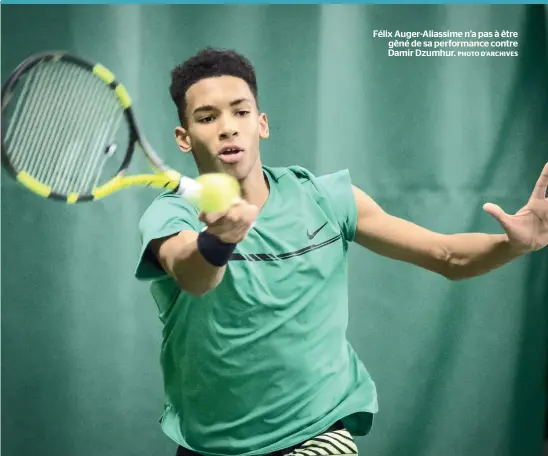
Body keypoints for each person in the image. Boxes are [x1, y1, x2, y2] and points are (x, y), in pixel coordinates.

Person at [135, 47, 548, 456]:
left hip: (317, 429)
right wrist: (219, 239)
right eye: (207, 118)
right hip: (209, 444)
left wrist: (515, 244)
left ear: (262, 124)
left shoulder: (326, 199)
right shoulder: (171, 215)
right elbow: (194, 276)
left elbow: (447, 256)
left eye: (241, 112)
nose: (227, 127)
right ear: (184, 138)